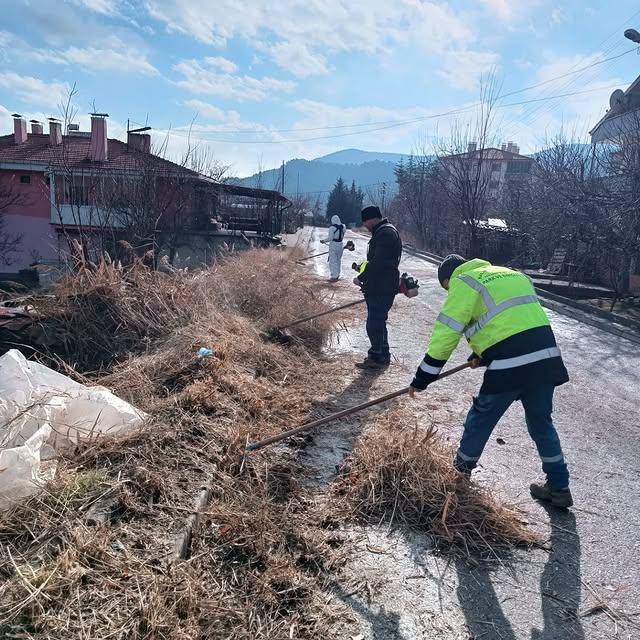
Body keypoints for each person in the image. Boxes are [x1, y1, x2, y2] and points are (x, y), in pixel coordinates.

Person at [408, 254, 573, 508]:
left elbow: (446, 334)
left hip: (511, 365)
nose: (449, 293)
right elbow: (509, 323)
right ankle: (559, 487)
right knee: (541, 422)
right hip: (545, 359)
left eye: (446, 289)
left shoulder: (463, 281)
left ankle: (459, 478)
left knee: (480, 418)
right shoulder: (510, 273)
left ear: (449, 279)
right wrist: (482, 354)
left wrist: (423, 377)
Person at [354, 206, 402, 370]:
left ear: (373, 218)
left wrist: (361, 277)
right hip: (380, 285)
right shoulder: (383, 232)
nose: (365, 225)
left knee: (374, 323)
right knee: (379, 321)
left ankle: (376, 356)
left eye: (365, 221)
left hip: (382, 286)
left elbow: (379, 263)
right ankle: (383, 354)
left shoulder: (385, 234)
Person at [323, 214, 345, 281]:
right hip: (340, 245)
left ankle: (334, 276)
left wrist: (323, 241)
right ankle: (337, 274)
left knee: (333, 261)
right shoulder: (343, 227)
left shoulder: (332, 228)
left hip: (333, 245)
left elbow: (330, 238)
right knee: (338, 260)